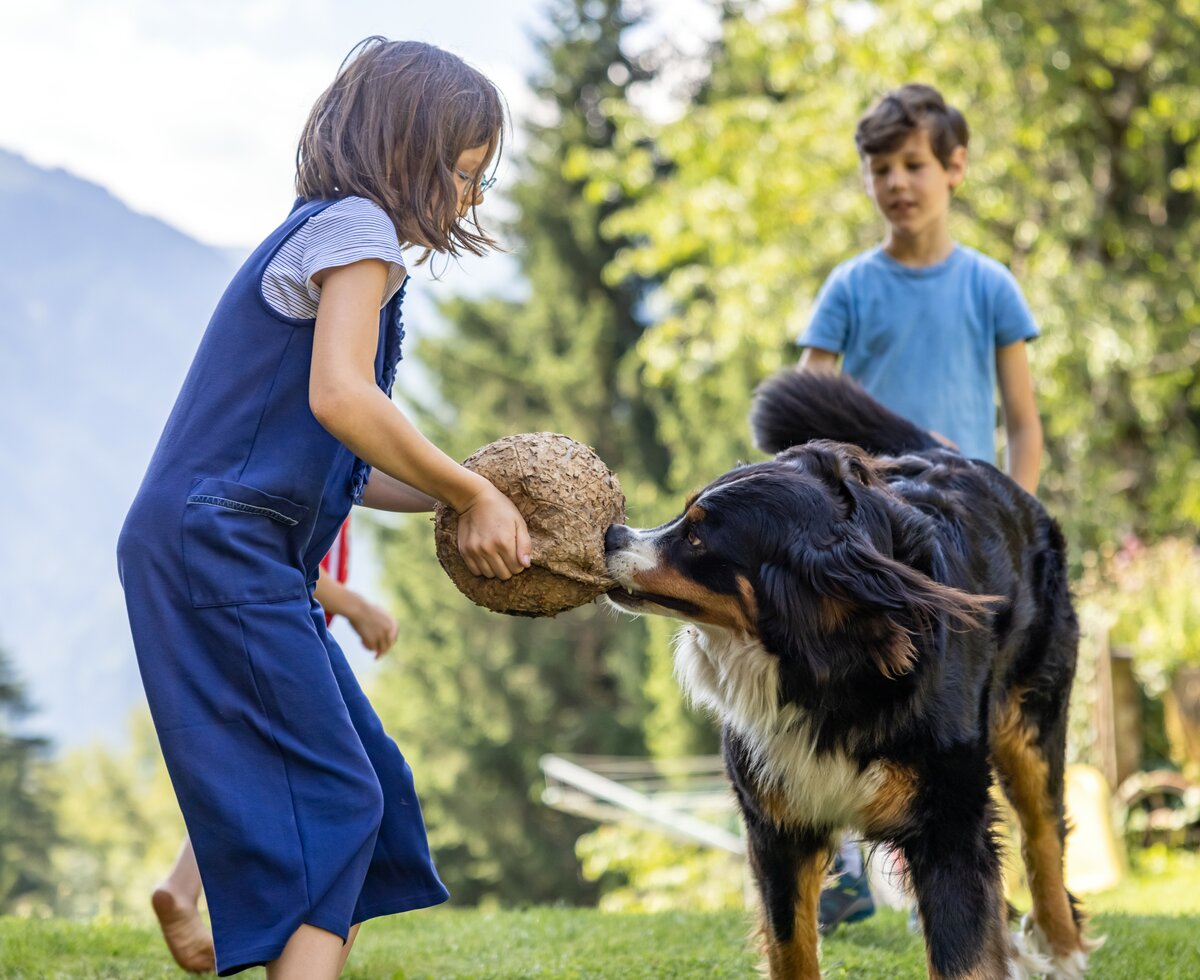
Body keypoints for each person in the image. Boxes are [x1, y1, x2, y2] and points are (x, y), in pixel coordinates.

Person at [117, 37, 531, 978]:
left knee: (364, 783)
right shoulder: (357, 233)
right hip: (218, 545)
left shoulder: (343, 241)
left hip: (238, 551)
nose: (470, 199)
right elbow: (344, 399)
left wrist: (461, 498)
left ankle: (248, 928)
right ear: (406, 154)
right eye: (464, 175)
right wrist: (468, 487)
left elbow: (351, 459)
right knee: (333, 796)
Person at [797, 83, 1044, 931]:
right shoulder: (849, 289)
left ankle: (965, 871)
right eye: (880, 167)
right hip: (873, 540)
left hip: (966, 545)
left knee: (968, 718)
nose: (897, 182)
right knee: (851, 697)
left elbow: (1023, 427)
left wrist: (1017, 531)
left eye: (914, 164)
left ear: (955, 167)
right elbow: (804, 411)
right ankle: (843, 864)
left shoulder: (990, 288)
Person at [152, 520, 397, 974]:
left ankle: (184, 886)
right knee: (341, 802)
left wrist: (453, 489)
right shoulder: (306, 459)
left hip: (277, 629)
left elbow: (371, 474)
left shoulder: (337, 463)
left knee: (265, 780)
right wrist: (358, 606)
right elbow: (280, 552)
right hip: (274, 630)